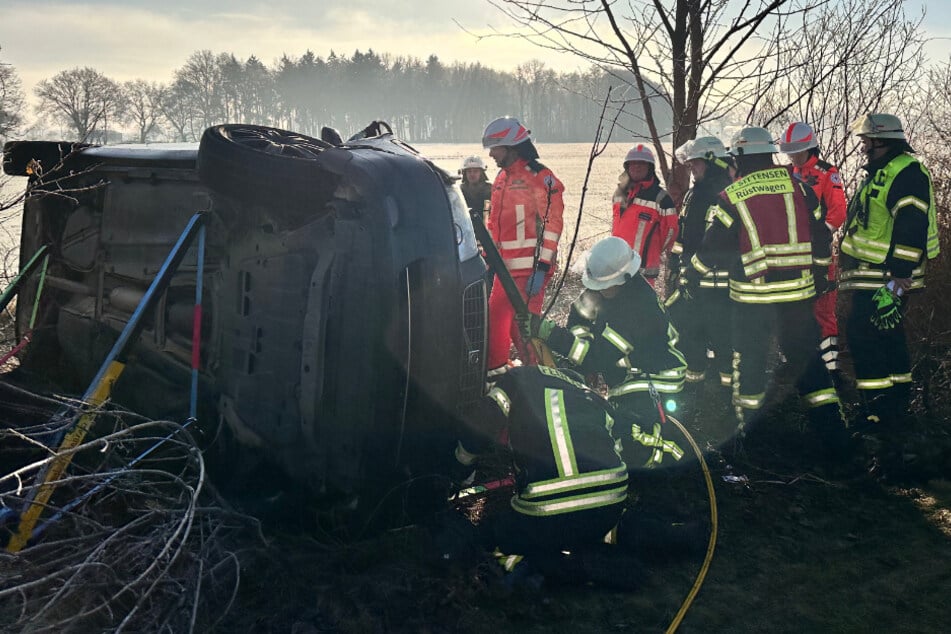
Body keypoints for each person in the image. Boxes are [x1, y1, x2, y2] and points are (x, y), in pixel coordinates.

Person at [450, 365, 698, 587]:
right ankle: (668, 536)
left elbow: (482, 422)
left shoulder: (516, 379)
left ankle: (567, 567)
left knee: (495, 535)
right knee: (602, 527)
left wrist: (462, 469)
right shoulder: (590, 396)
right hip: (608, 503)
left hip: (545, 510)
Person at [684, 127, 848, 454]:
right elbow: (821, 239)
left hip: (753, 302)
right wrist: (817, 277)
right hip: (799, 298)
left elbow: (711, 251)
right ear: (771, 153)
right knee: (808, 363)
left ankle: (748, 439)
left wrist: (690, 279)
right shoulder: (802, 190)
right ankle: (834, 435)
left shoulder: (733, 196)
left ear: (740, 158)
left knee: (750, 368)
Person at [537, 236, 687, 454]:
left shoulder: (637, 310)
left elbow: (597, 357)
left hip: (655, 379)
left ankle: (662, 458)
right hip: (628, 371)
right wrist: (581, 361)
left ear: (622, 280)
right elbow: (579, 317)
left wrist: (552, 334)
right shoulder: (605, 288)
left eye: (603, 286)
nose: (598, 290)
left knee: (623, 437)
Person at [839, 113, 939, 431]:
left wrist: (900, 275)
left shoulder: (907, 172)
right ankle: (892, 407)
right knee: (885, 336)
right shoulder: (882, 171)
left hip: (889, 277)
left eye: (866, 140)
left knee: (866, 336)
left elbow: (912, 224)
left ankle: (879, 410)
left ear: (881, 140)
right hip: (874, 274)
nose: (863, 146)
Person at [481, 116, 565, 374]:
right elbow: (494, 223)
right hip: (503, 271)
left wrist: (542, 268)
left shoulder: (541, 178)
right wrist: (488, 257)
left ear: (511, 147)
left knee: (525, 328)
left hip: (530, 272)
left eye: (495, 148)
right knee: (495, 323)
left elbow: (553, 226)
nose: (492, 154)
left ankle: (540, 377)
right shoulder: (500, 179)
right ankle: (496, 373)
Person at [666, 136, 735, 397]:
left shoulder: (719, 195)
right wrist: (675, 262)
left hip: (710, 284)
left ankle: (718, 394)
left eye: (695, 164)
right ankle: (704, 388)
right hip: (702, 282)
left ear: (711, 162)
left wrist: (689, 272)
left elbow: (713, 243)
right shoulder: (701, 193)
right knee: (698, 335)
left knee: (711, 337)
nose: (692, 169)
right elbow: (685, 236)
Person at [779, 122, 848, 379]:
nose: (792, 156)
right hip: (791, 255)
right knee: (793, 309)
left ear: (809, 147)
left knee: (823, 309)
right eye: (789, 152)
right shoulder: (785, 173)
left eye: (796, 151)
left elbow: (838, 212)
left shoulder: (827, 173)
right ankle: (797, 363)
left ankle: (832, 369)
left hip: (818, 255)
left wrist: (819, 239)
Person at [611, 144, 678, 291]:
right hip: (617, 265)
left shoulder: (661, 198)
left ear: (650, 168)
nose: (637, 167)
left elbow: (671, 231)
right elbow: (616, 227)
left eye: (641, 163)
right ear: (627, 166)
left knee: (641, 311)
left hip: (644, 269)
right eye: (633, 163)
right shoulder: (619, 193)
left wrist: (654, 250)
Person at [459, 155, 492, 223]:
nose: (472, 174)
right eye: (469, 171)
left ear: (481, 173)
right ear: (465, 173)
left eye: (475, 171)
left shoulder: (490, 190)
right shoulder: (460, 191)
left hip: (486, 229)